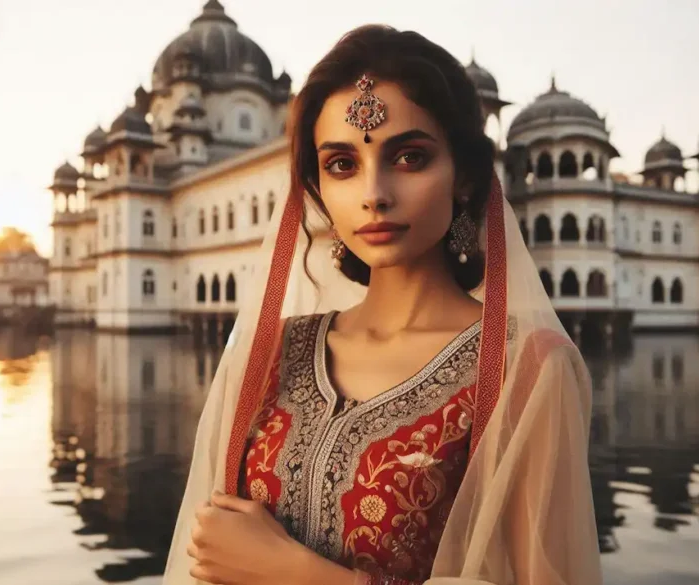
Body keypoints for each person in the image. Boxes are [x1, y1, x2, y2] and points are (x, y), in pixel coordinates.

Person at [162, 24, 601, 585]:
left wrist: (300, 574)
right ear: (317, 188)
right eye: (342, 165)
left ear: (464, 176)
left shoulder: (528, 368)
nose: (374, 193)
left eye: (410, 157)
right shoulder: (272, 353)